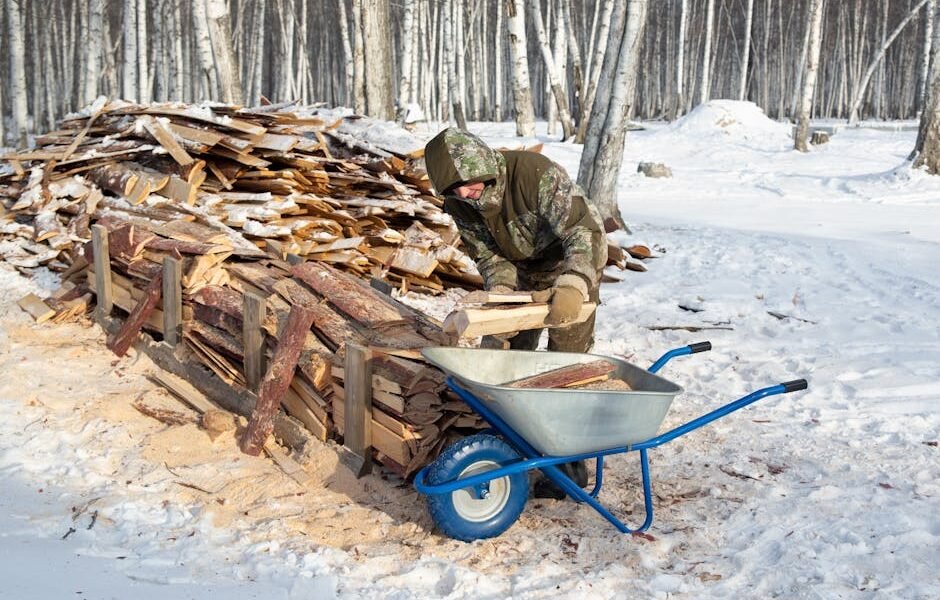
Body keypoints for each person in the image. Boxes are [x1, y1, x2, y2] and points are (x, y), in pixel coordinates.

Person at [424, 127, 608, 498]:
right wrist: (502, 295)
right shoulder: (461, 202)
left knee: (564, 367)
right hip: (524, 273)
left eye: (468, 182)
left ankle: (567, 465)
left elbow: (584, 232)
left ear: (486, 166)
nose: (464, 193)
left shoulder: (534, 175)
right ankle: (511, 445)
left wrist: (573, 283)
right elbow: (489, 256)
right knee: (502, 357)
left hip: (571, 267)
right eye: (453, 189)